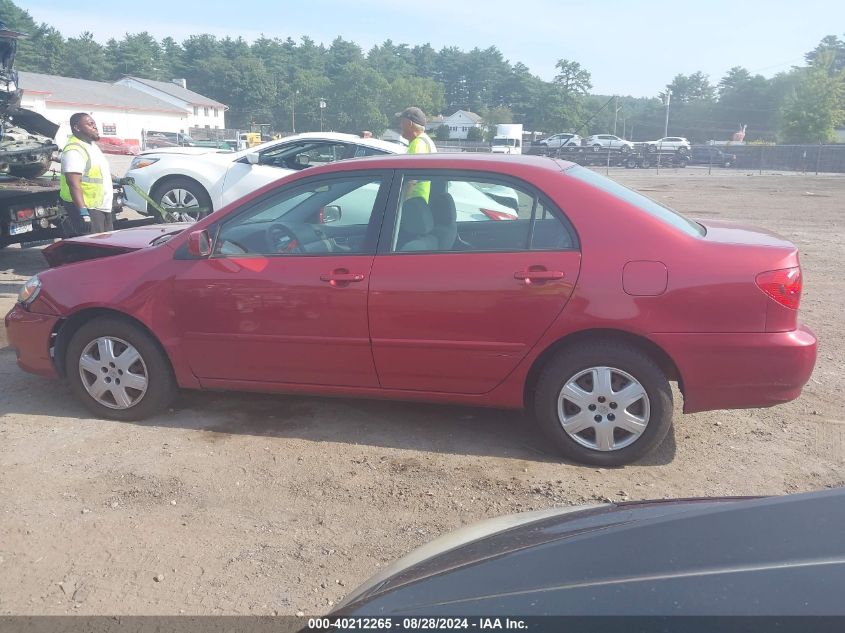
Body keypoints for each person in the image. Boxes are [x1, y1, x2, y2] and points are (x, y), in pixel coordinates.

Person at [59, 112, 114, 235]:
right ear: (77, 128)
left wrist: (118, 180)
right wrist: (83, 212)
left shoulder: (91, 145)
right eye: (90, 124)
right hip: (87, 208)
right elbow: (73, 183)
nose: (95, 127)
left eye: (94, 124)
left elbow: (99, 171)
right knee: (94, 247)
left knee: (107, 245)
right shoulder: (74, 150)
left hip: (100, 206)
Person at [396, 107, 436, 201]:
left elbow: (411, 181)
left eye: (402, 122)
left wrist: (400, 203)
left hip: (412, 201)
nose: (400, 125)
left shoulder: (418, 144)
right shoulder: (425, 141)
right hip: (420, 201)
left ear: (409, 124)